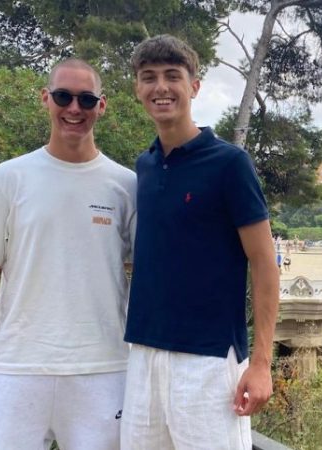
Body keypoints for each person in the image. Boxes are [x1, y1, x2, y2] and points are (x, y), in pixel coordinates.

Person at [0, 59, 136, 449]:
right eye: (63, 96)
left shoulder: (127, 186)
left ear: (101, 105)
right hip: (17, 364)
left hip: (104, 368)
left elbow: (148, 277)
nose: (74, 108)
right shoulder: (9, 177)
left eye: (86, 99)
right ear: (45, 98)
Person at [122, 35, 279, 449]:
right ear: (137, 88)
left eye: (172, 76)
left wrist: (261, 362)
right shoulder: (144, 165)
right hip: (143, 352)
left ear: (194, 86)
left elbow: (264, 263)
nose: (161, 87)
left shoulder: (230, 164)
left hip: (209, 359)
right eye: (148, 77)